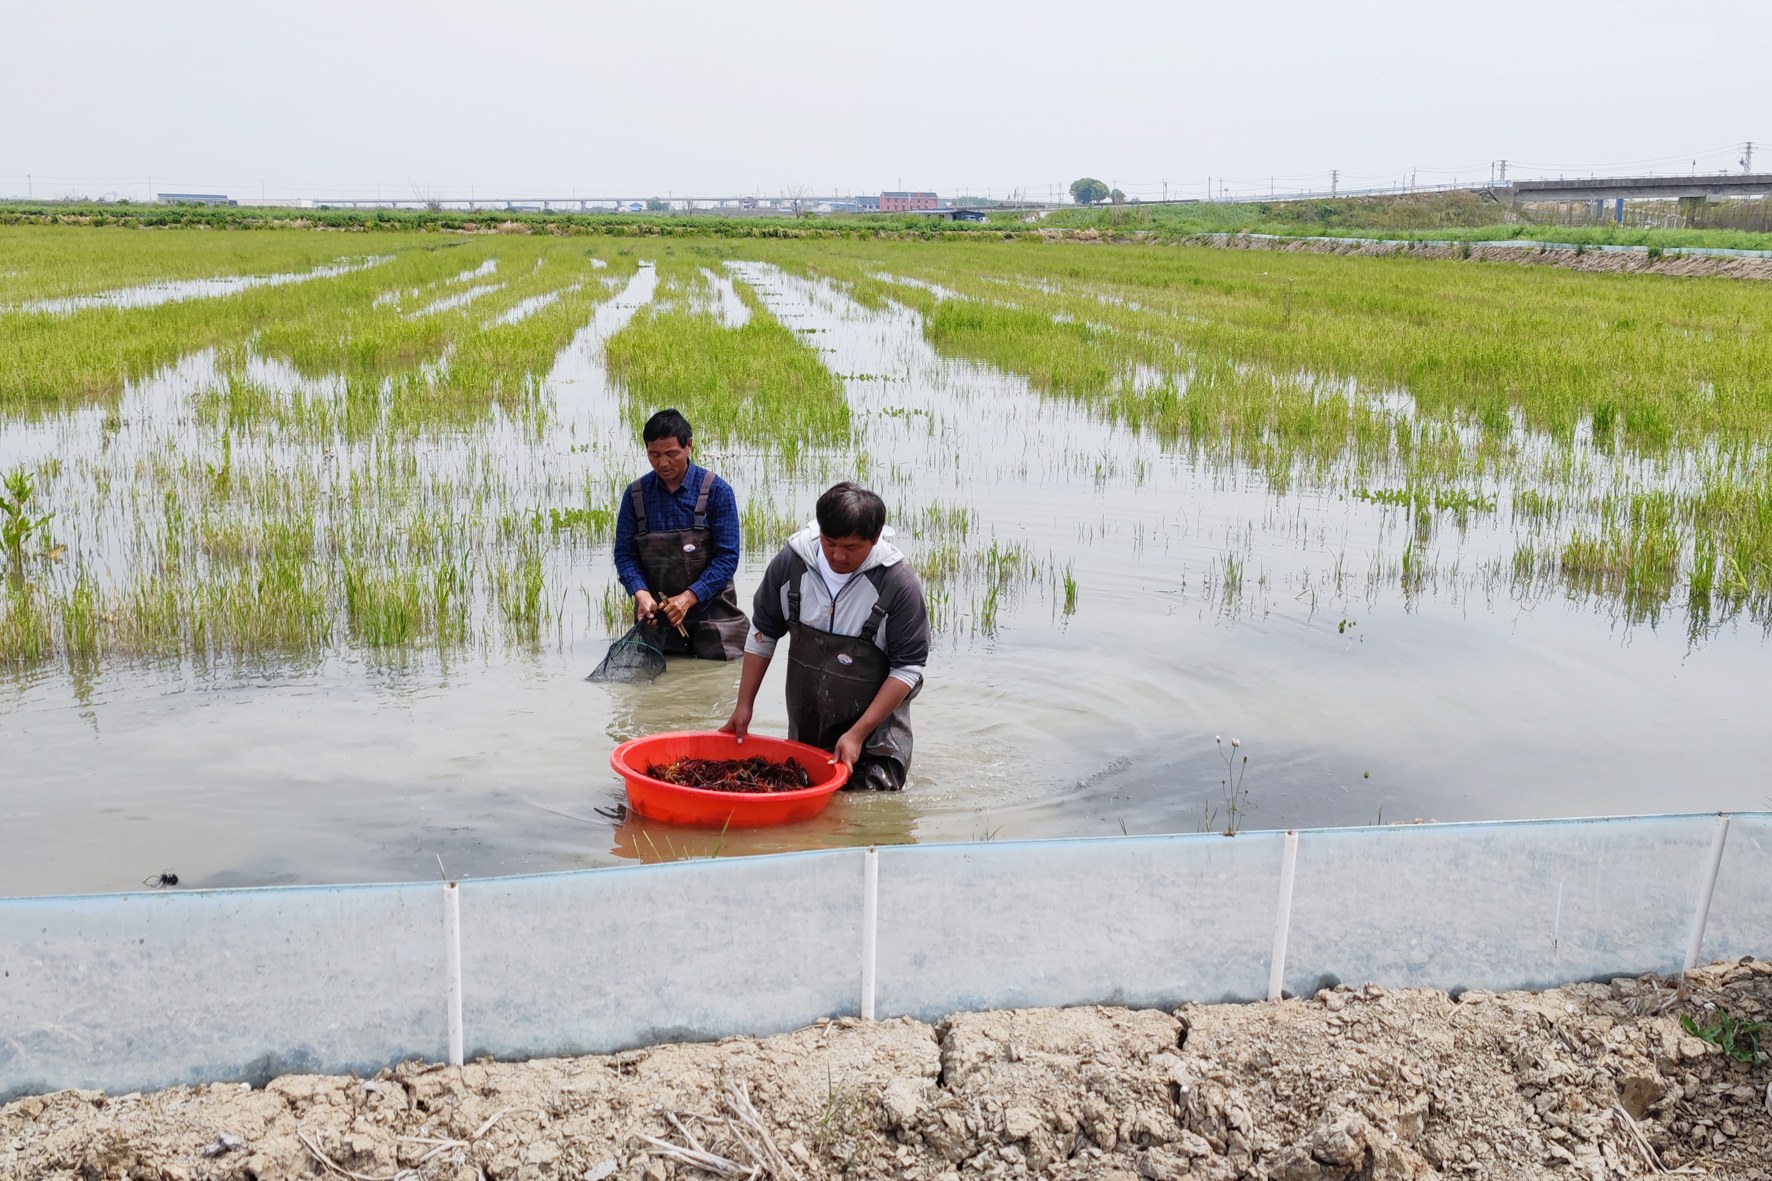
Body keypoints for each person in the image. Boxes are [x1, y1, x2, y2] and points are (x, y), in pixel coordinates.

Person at [721, 482, 930, 791]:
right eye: (829, 542)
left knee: (866, 815)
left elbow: (908, 668)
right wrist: (744, 706)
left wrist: (858, 735)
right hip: (807, 731)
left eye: (851, 547)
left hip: (876, 742)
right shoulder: (792, 564)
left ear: (875, 538)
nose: (838, 556)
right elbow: (763, 633)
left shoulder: (899, 586)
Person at [612, 408, 748, 660]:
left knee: (716, 682)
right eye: (654, 454)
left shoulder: (718, 492)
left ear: (689, 446)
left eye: (671, 454)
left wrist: (688, 598)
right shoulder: (635, 496)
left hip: (715, 619)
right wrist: (641, 594)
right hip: (658, 619)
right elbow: (624, 556)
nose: (662, 463)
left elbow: (727, 558)